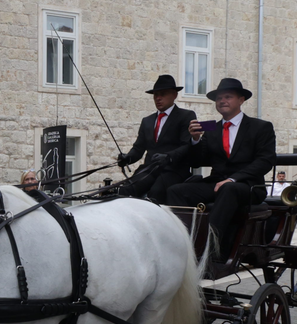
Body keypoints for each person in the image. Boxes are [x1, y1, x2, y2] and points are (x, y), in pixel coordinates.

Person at [164, 78, 276, 262]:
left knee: (228, 188)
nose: (222, 101)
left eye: (228, 97)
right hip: (217, 183)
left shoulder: (260, 127)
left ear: (241, 100)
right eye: (218, 98)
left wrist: (233, 179)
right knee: (176, 191)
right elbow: (199, 160)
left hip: (247, 186)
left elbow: (265, 160)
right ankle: (180, 243)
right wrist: (195, 140)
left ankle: (209, 248)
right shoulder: (211, 128)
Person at [117, 74, 196, 202]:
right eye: (155, 95)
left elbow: (186, 146)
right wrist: (128, 158)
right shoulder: (147, 121)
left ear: (174, 95)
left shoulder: (185, 116)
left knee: (156, 193)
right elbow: (139, 148)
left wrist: (168, 157)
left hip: (173, 170)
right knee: (124, 190)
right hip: (149, 169)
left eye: (163, 94)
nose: (158, 98)